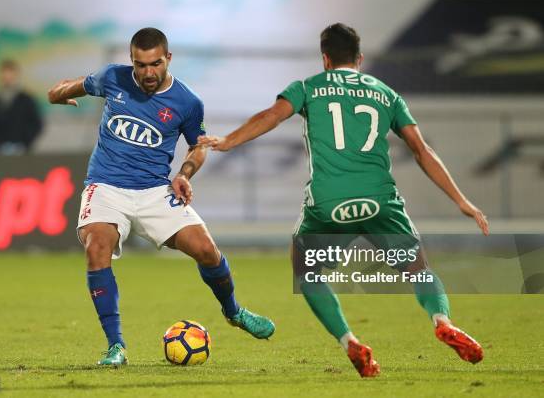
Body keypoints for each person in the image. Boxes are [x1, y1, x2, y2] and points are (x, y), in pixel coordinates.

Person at [198, 23, 489, 378]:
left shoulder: (308, 87)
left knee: (306, 270)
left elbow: (271, 117)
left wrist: (228, 140)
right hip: (380, 201)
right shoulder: (386, 93)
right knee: (418, 269)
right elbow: (421, 149)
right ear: (360, 58)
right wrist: (462, 201)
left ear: (325, 59)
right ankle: (441, 320)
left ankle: (349, 340)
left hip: (329, 203)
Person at [47, 28, 274, 366]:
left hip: (155, 190)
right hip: (106, 186)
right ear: (132, 61)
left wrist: (184, 174)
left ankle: (234, 312)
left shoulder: (187, 102)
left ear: (168, 59)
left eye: (155, 64)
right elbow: (74, 85)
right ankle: (116, 347)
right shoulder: (113, 78)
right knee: (97, 248)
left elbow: (198, 146)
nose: (148, 73)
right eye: (140, 65)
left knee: (207, 251)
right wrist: (56, 95)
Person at [0, 60, 43, 154]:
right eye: (4, 74)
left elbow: (36, 123)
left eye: (10, 74)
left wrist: (25, 142)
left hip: (21, 150)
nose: (7, 77)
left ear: (16, 75)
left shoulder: (26, 99)